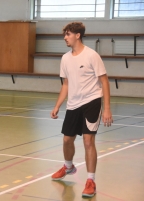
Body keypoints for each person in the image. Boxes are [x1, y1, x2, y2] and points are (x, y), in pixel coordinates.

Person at [50, 22, 113, 198]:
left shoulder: (92, 56)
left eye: (68, 34)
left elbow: (105, 82)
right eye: (65, 34)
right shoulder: (65, 58)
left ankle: (90, 180)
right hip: (73, 104)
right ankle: (68, 167)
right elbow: (66, 85)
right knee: (66, 140)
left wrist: (107, 108)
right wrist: (57, 106)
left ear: (78, 35)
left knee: (88, 141)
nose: (65, 37)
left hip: (92, 102)